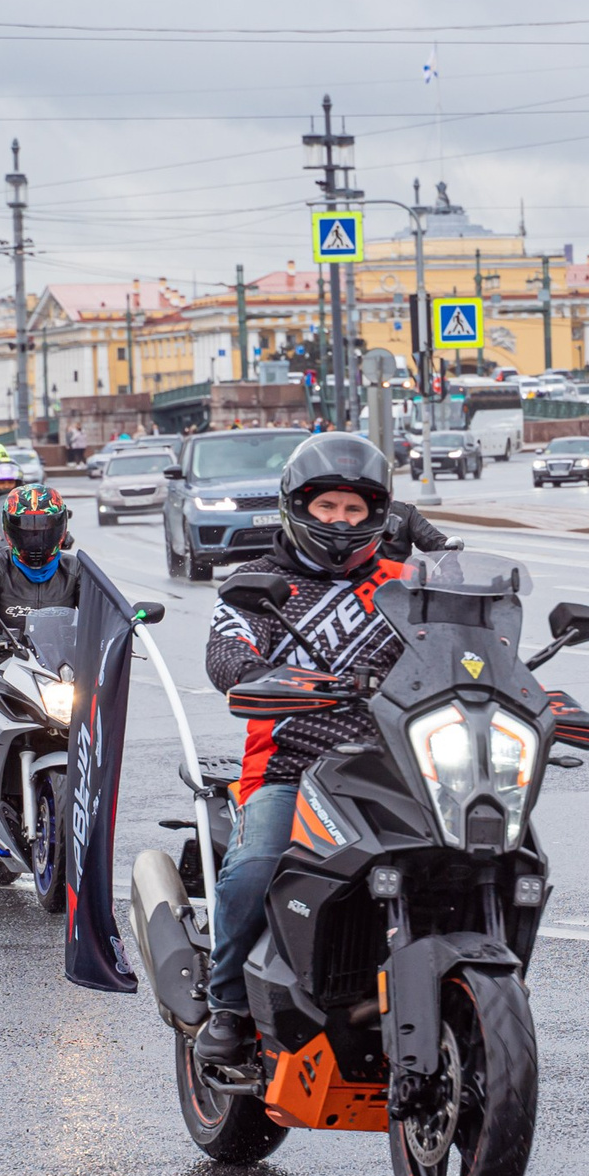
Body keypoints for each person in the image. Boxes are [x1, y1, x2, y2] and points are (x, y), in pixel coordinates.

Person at [194, 435, 408, 1066]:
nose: (341, 522)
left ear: (377, 516)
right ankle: (227, 1005)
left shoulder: (408, 584)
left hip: (397, 770)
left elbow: (469, 646)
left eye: (355, 510)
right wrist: (251, 672)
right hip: (292, 766)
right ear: (298, 509)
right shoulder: (258, 585)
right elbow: (226, 653)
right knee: (259, 866)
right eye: (327, 508)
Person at [0, 485, 96, 818]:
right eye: (27, 528)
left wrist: (120, 632)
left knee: (96, 730)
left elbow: (101, 610)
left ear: (60, 528)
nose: (36, 537)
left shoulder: (77, 569)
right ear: (11, 529)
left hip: (59, 668)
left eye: (44, 528)